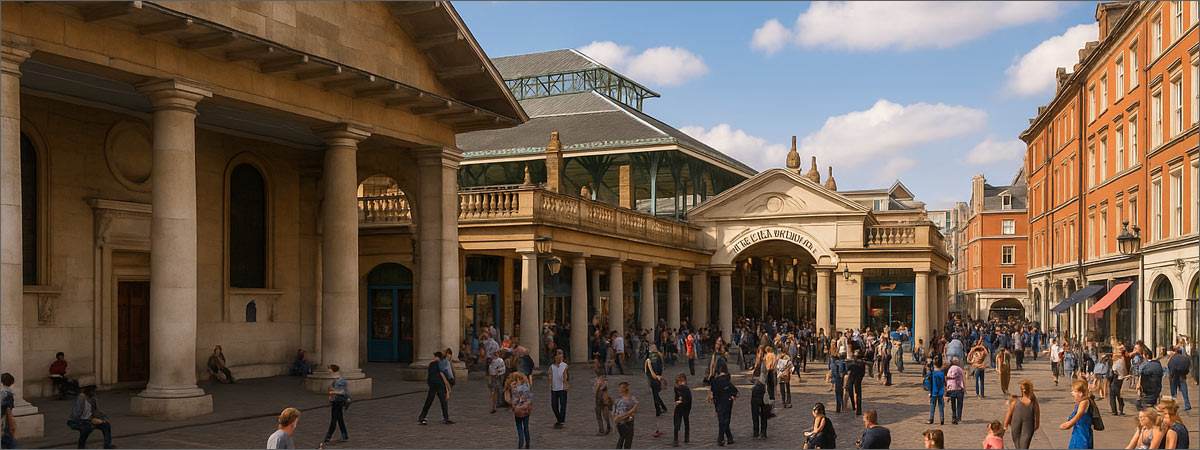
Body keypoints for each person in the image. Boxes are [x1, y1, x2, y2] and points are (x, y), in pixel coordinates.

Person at [68, 385, 114, 449]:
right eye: (93, 391)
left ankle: (107, 445)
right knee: (87, 428)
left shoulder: (93, 398)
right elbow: (76, 414)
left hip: (89, 420)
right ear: (88, 390)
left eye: (94, 391)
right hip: (77, 421)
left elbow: (95, 410)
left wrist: (102, 417)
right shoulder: (81, 397)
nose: (94, 393)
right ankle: (81, 446)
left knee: (106, 425)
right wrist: (89, 420)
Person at [1003, 380, 1040, 449]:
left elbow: (1009, 414)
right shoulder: (1034, 402)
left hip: (1015, 425)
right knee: (1024, 446)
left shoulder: (1015, 402)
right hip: (1028, 426)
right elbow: (1037, 416)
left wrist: (1005, 426)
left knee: (1018, 446)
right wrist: (1036, 425)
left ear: (1021, 391)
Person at [418, 352, 453, 425]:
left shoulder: (432, 364)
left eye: (435, 356)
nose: (433, 358)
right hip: (440, 384)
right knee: (443, 402)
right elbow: (443, 375)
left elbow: (430, 375)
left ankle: (422, 416)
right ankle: (446, 418)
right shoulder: (441, 364)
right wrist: (448, 388)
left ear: (437, 357)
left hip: (433, 384)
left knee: (429, 401)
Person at [708, 360, 737, 446]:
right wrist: (732, 396)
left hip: (719, 402)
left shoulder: (715, 380)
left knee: (722, 420)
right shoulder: (726, 379)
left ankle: (721, 438)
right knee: (725, 420)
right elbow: (734, 391)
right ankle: (728, 437)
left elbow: (713, 391)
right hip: (727, 402)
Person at [1059, 380, 1093, 449]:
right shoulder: (1081, 402)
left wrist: (1068, 424)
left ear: (1080, 393)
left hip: (1082, 434)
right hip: (1078, 431)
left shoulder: (1084, 402)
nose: (1072, 393)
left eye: (1074, 391)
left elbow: (1078, 415)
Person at [323, 364, 350, 444]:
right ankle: (344, 435)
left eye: (329, 369)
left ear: (333, 370)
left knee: (334, 420)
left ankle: (328, 437)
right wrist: (331, 395)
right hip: (336, 401)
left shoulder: (341, 380)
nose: (328, 371)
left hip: (339, 402)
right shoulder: (335, 380)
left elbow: (343, 392)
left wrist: (333, 392)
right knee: (339, 419)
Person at [506, 372, 533, 449]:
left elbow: (509, 398)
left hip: (517, 410)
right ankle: (527, 443)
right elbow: (530, 397)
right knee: (526, 427)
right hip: (526, 409)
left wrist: (512, 404)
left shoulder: (513, 387)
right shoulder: (526, 386)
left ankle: (520, 443)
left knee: (519, 428)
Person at [613, 381, 638, 449]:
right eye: (619, 388)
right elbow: (614, 411)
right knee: (623, 437)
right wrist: (616, 418)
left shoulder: (632, 398)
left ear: (625, 388)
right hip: (621, 422)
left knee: (628, 439)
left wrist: (626, 415)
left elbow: (635, 409)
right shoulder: (618, 399)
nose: (619, 389)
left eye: (621, 388)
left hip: (628, 421)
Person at [1166, 347, 1191, 411]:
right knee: (1184, 390)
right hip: (1182, 375)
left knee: (1173, 391)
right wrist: (1185, 373)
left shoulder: (1172, 359)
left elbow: (1171, 368)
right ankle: (1187, 404)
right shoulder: (1185, 358)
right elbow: (1188, 366)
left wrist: (1170, 377)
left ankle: (1174, 405)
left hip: (1174, 376)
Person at [645, 345, 668, 418]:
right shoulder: (658, 355)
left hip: (653, 377)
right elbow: (661, 365)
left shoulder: (650, 357)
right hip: (656, 376)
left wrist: (653, 375)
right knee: (655, 393)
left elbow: (646, 369)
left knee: (655, 394)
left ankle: (659, 409)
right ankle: (661, 407)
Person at [548, 350, 569, 428]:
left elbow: (565, 376)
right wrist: (550, 383)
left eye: (561, 355)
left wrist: (566, 384)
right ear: (555, 357)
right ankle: (559, 419)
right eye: (558, 355)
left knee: (563, 405)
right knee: (554, 405)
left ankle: (561, 421)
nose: (560, 357)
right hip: (554, 388)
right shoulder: (551, 366)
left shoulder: (565, 365)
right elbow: (550, 375)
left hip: (562, 388)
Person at [672, 373, 691, 447]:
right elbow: (676, 397)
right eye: (679, 381)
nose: (680, 383)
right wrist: (677, 401)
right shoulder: (676, 388)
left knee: (686, 420)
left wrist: (681, 401)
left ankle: (687, 436)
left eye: (682, 381)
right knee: (676, 422)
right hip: (679, 407)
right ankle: (675, 439)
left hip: (686, 407)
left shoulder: (686, 389)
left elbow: (688, 400)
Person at [846, 350, 867, 415]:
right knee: (852, 392)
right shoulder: (852, 362)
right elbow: (848, 368)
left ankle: (858, 409)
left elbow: (863, 372)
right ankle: (854, 406)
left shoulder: (861, 362)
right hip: (853, 378)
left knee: (858, 394)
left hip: (857, 379)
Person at [946, 359, 967, 425]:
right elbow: (963, 379)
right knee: (960, 405)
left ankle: (954, 416)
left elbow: (947, 380)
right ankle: (959, 417)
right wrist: (965, 388)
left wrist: (947, 388)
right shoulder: (960, 369)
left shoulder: (949, 369)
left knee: (953, 405)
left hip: (951, 389)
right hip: (959, 389)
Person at [750, 375, 769, 440]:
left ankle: (756, 432)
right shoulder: (767, 368)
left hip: (758, 393)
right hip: (763, 392)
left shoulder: (762, 368)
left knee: (756, 414)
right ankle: (763, 432)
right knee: (763, 415)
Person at [927, 361, 947, 425]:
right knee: (941, 406)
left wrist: (930, 392)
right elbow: (944, 383)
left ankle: (931, 419)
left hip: (934, 392)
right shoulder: (942, 373)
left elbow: (930, 383)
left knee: (932, 406)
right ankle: (942, 419)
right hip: (941, 392)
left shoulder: (933, 373)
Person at [489, 349, 508, 413]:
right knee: (494, 391)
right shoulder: (492, 360)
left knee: (499, 389)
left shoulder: (500, 360)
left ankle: (500, 402)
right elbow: (491, 368)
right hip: (493, 376)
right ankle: (494, 405)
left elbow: (503, 368)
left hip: (498, 376)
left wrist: (499, 372)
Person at [1109, 351, 1128, 416]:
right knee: (1120, 396)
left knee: (1112, 396)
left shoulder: (1116, 363)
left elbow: (1114, 371)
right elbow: (1125, 370)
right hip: (1121, 379)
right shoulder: (1122, 361)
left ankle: (1114, 411)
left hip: (1115, 380)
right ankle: (1121, 410)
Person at [1, 373, 17, 450]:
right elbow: (8, 411)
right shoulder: (8, 395)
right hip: (5, 424)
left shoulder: (2, 393)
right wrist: (12, 424)